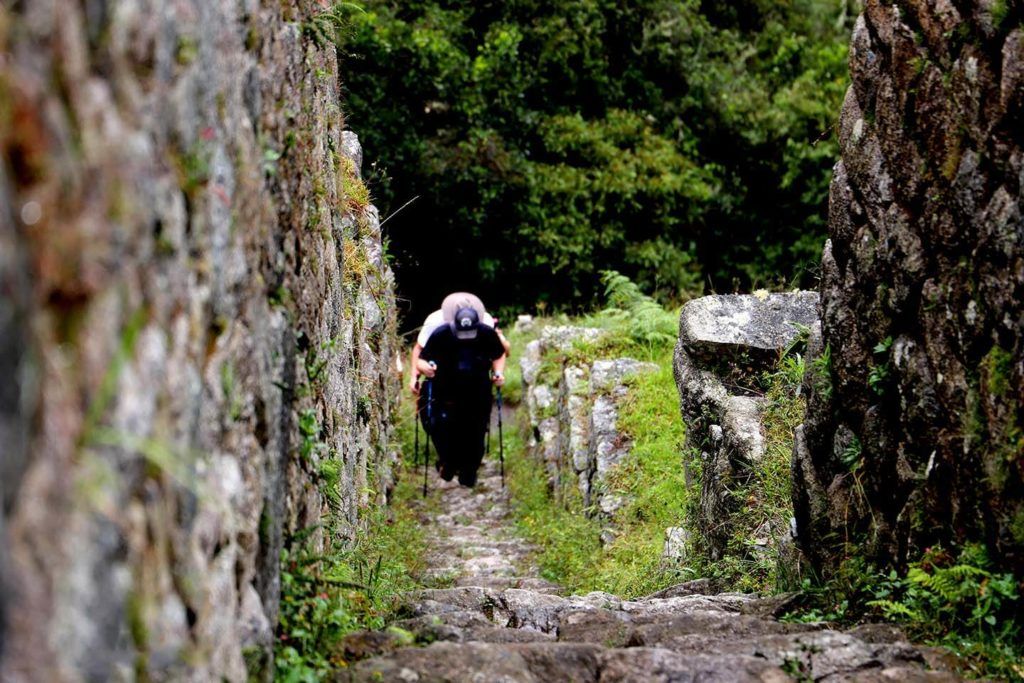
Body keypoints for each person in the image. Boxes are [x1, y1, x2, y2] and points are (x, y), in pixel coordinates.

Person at [417, 306, 506, 487]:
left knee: (476, 433)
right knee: (443, 430)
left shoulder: (487, 333)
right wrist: (425, 367)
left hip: (478, 394)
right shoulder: (441, 334)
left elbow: (499, 353)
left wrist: (498, 372)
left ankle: (469, 471)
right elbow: (421, 358)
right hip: (447, 394)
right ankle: (447, 463)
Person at [409, 292, 509, 395]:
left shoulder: (486, 322)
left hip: (476, 372)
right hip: (442, 374)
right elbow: (419, 348)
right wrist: (414, 376)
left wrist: (498, 372)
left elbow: (497, 351)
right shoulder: (435, 322)